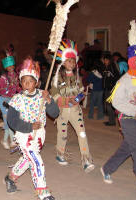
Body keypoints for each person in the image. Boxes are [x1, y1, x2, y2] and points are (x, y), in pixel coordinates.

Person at [101, 19, 136, 195]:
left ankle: (107, 168)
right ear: (131, 61)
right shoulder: (124, 80)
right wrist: (134, 111)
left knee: (128, 147)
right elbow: (116, 101)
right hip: (127, 118)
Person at [4, 57, 59, 200]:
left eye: (30, 81)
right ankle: (43, 192)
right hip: (23, 135)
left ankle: (10, 177)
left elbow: (55, 113)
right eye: (24, 81)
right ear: (20, 82)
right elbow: (12, 121)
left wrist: (49, 100)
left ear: (37, 82)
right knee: (36, 161)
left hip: (40, 135)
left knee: (28, 159)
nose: (27, 84)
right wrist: (29, 126)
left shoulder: (43, 95)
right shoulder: (17, 99)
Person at [50, 39, 95, 172]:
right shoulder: (57, 78)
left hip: (75, 111)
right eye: (69, 61)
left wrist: (77, 99)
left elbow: (81, 91)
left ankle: (86, 159)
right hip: (63, 111)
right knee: (62, 134)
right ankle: (60, 153)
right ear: (63, 62)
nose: (72, 63)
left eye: (73, 61)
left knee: (82, 134)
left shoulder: (76, 77)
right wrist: (64, 101)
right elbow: (54, 93)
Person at [0, 54, 21, 149]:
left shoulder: (16, 77)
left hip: (12, 101)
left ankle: (8, 140)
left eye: (12, 65)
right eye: (8, 66)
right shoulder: (3, 77)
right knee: (7, 121)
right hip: (3, 100)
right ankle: (8, 140)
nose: (10, 67)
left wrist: (23, 93)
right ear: (6, 67)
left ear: (14, 65)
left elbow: (17, 88)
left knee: (10, 121)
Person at [100, 53, 120, 126]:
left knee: (109, 105)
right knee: (109, 105)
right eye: (104, 60)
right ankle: (111, 120)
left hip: (111, 89)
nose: (104, 61)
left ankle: (112, 121)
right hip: (106, 88)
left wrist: (112, 85)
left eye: (105, 60)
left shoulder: (112, 67)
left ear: (109, 60)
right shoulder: (106, 67)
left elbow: (116, 77)